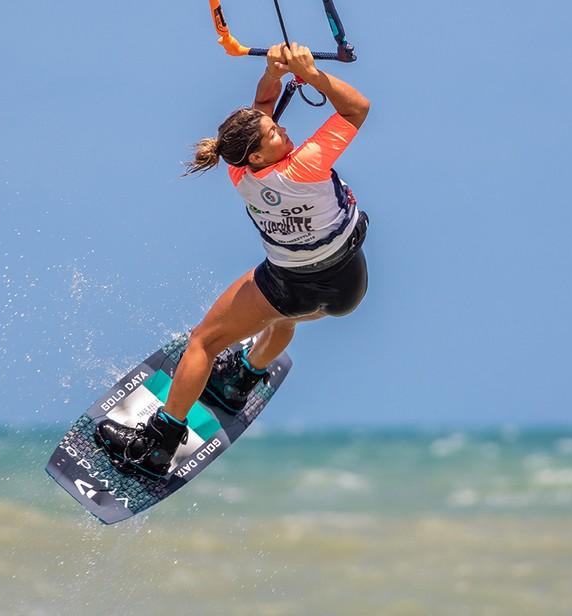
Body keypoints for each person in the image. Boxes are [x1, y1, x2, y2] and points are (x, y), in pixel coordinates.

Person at [94, 42, 370, 478]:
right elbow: (356, 109)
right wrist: (311, 74)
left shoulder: (240, 172)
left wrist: (274, 74)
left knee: (204, 342)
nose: (282, 130)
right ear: (257, 153)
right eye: (274, 132)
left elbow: (262, 111)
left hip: (288, 289)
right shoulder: (307, 164)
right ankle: (242, 378)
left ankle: (159, 444)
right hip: (349, 288)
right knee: (279, 319)